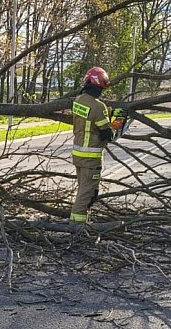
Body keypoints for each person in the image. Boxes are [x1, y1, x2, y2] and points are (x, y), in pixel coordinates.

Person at [69, 66, 124, 225]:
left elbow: (89, 121)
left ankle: (83, 223)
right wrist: (117, 121)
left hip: (78, 154)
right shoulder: (99, 107)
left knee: (83, 191)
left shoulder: (78, 101)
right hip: (91, 157)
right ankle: (76, 227)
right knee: (88, 194)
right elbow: (107, 134)